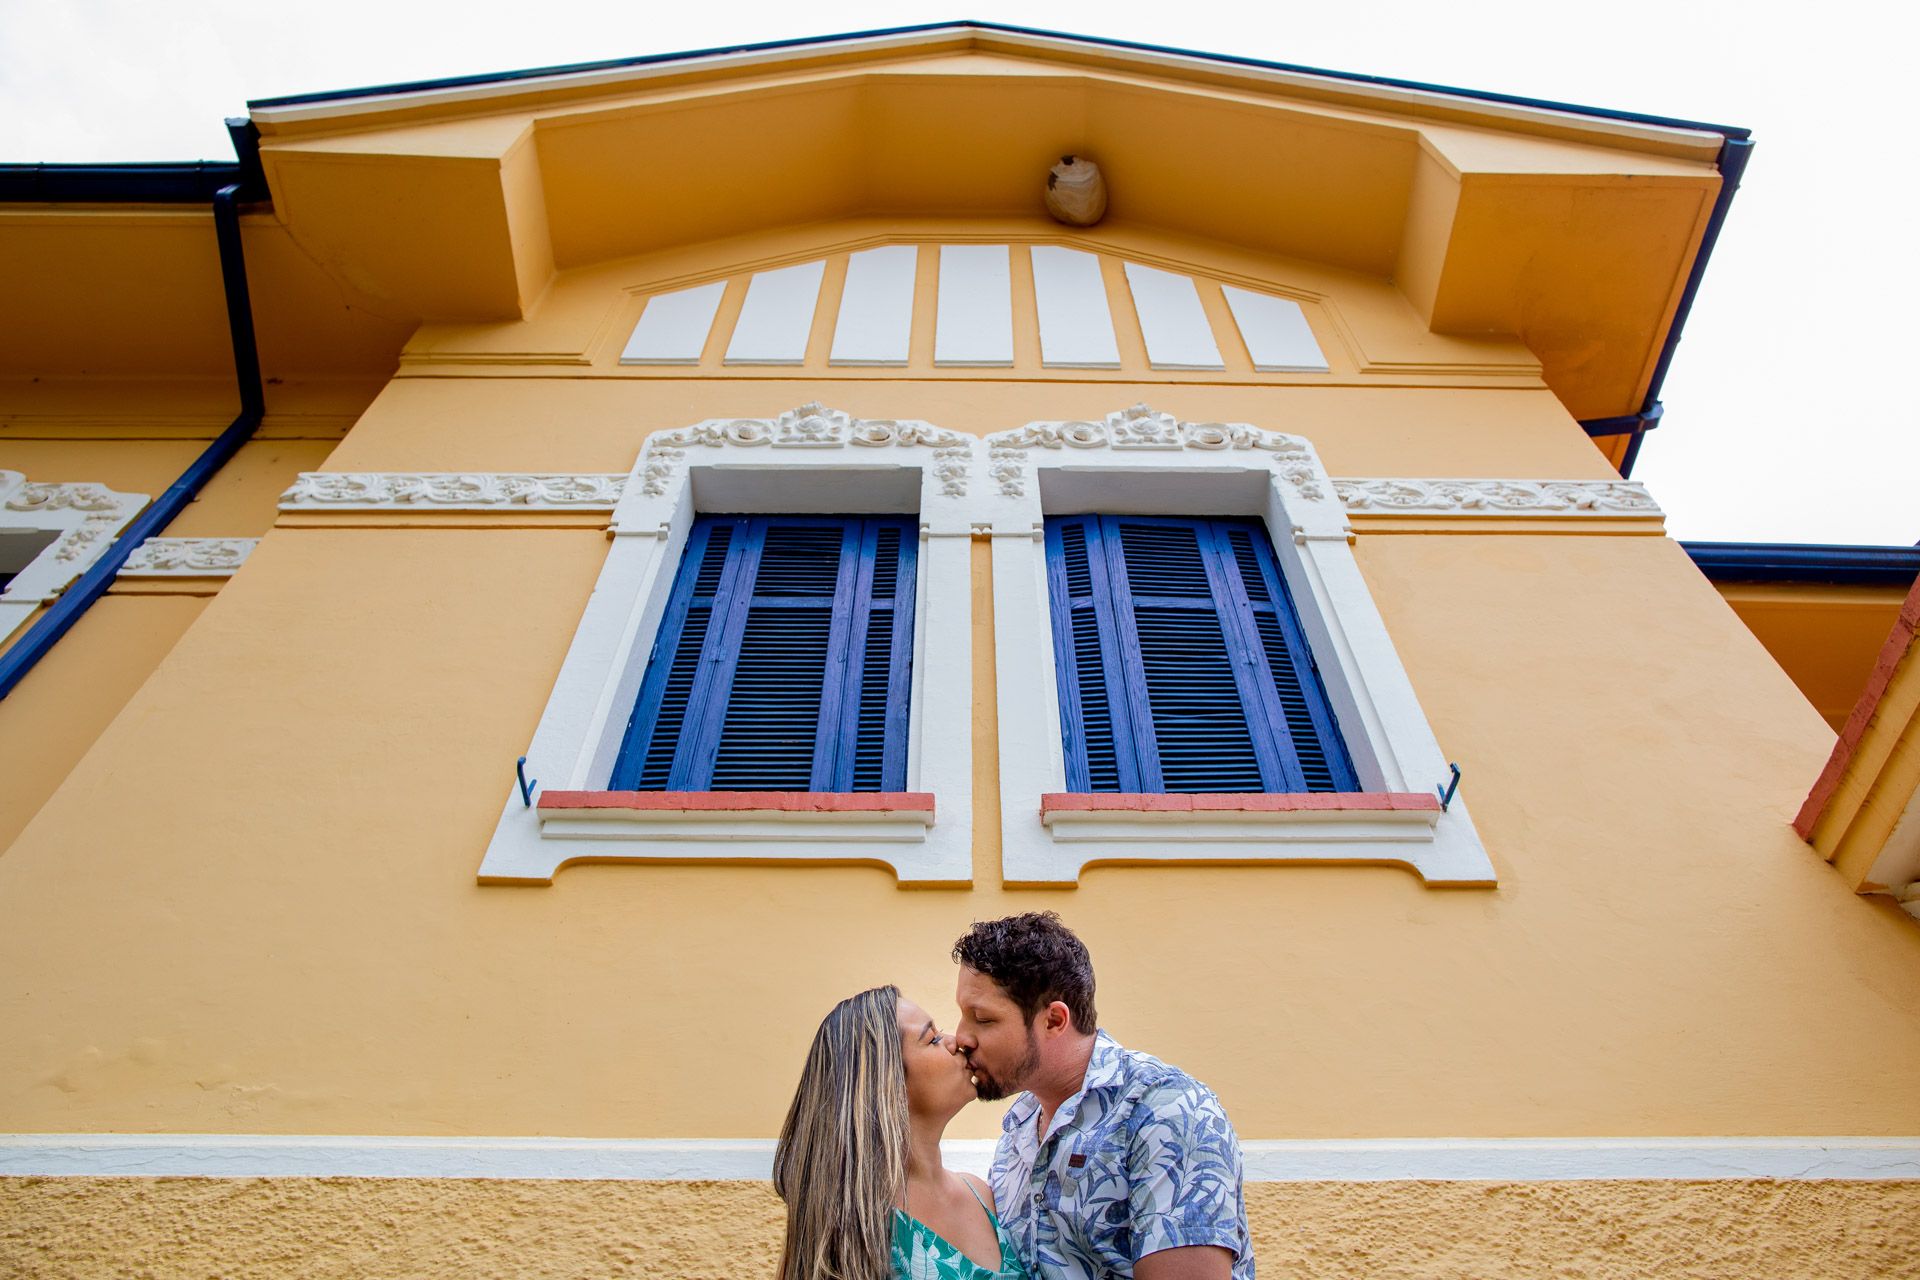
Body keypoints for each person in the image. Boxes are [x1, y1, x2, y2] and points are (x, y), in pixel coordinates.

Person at [951, 914, 1254, 1280]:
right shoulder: (1020, 1125)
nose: (961, 1037)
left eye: (983, 1019)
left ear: (1054, 1021)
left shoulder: (1164, 1109)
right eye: (963, 1015)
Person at [775, 984, 1034, 1280]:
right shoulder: (856, 1226)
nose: (956, 1041)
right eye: (933, 1039)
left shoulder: (983, 1194)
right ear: (888, 1082)